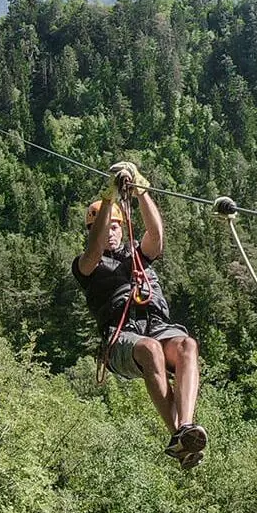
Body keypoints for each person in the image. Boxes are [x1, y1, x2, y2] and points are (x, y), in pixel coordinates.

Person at [74, 161, 208, 467]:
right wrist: (108, 199)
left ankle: (186, 427)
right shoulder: (86, 265)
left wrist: (141, 191)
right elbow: (93, 251)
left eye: (114, 226)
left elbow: (156, 236)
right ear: (93, 231)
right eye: (103, 228)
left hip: (156, 325)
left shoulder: (138, 254)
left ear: (122, 228)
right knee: (149, 349)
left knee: (187, 345)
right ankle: (177, 434)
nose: (109, 233)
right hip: (121, 337)